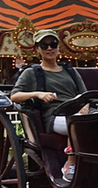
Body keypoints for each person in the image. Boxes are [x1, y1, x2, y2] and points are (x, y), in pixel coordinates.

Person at [10, 29, 86, 179]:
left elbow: (84, 95)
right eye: (44, 46)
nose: (49, 48)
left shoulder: (70, 71)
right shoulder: (31, 72)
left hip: (78, 112)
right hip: (55, 116)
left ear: (58, 47)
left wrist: (85, 106)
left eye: (53, 44)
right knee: (75, 122)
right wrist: (37, 93)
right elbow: (14, 96)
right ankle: (70, 162)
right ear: (37, 49)